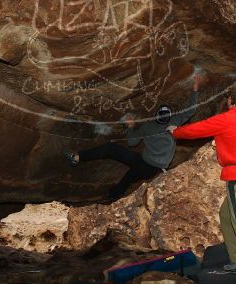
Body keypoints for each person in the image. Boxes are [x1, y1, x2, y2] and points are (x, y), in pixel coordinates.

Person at [168, 83, 236, 284]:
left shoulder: (228, 118)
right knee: (227, 216)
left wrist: (175, 131)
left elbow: (197, 129)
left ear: (231, 99)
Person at [63, 76, 201, 200]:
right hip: (147, 164)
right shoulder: (173, 122)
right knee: (126, 175)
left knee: (122, 167)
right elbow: (191, 110)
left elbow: (132, 142)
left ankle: (81, 163)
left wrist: (130, 127)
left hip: (148, 165)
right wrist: (195, 89)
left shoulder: (150, 126)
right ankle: (109, 196)